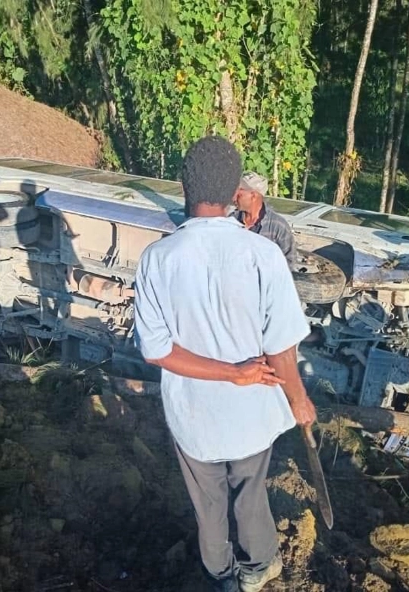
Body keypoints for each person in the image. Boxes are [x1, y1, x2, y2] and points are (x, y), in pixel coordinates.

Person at [134, 136, 316, 592]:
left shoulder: (157, 258)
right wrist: (298, 399)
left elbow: (156, 350)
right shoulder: (262, 255)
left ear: (184, 187)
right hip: (251, 414)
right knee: (249, 496)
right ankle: (257, 571)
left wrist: (227, 372)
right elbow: (280, 349)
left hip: (192, 419)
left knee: (208, 507)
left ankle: (221, 578)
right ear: (235, 189)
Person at [233, 171, 296, 268]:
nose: (234, 198)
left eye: (239, 194)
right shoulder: (231, 221)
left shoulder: (277, 226)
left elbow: (289, 261)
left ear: (253, 196)